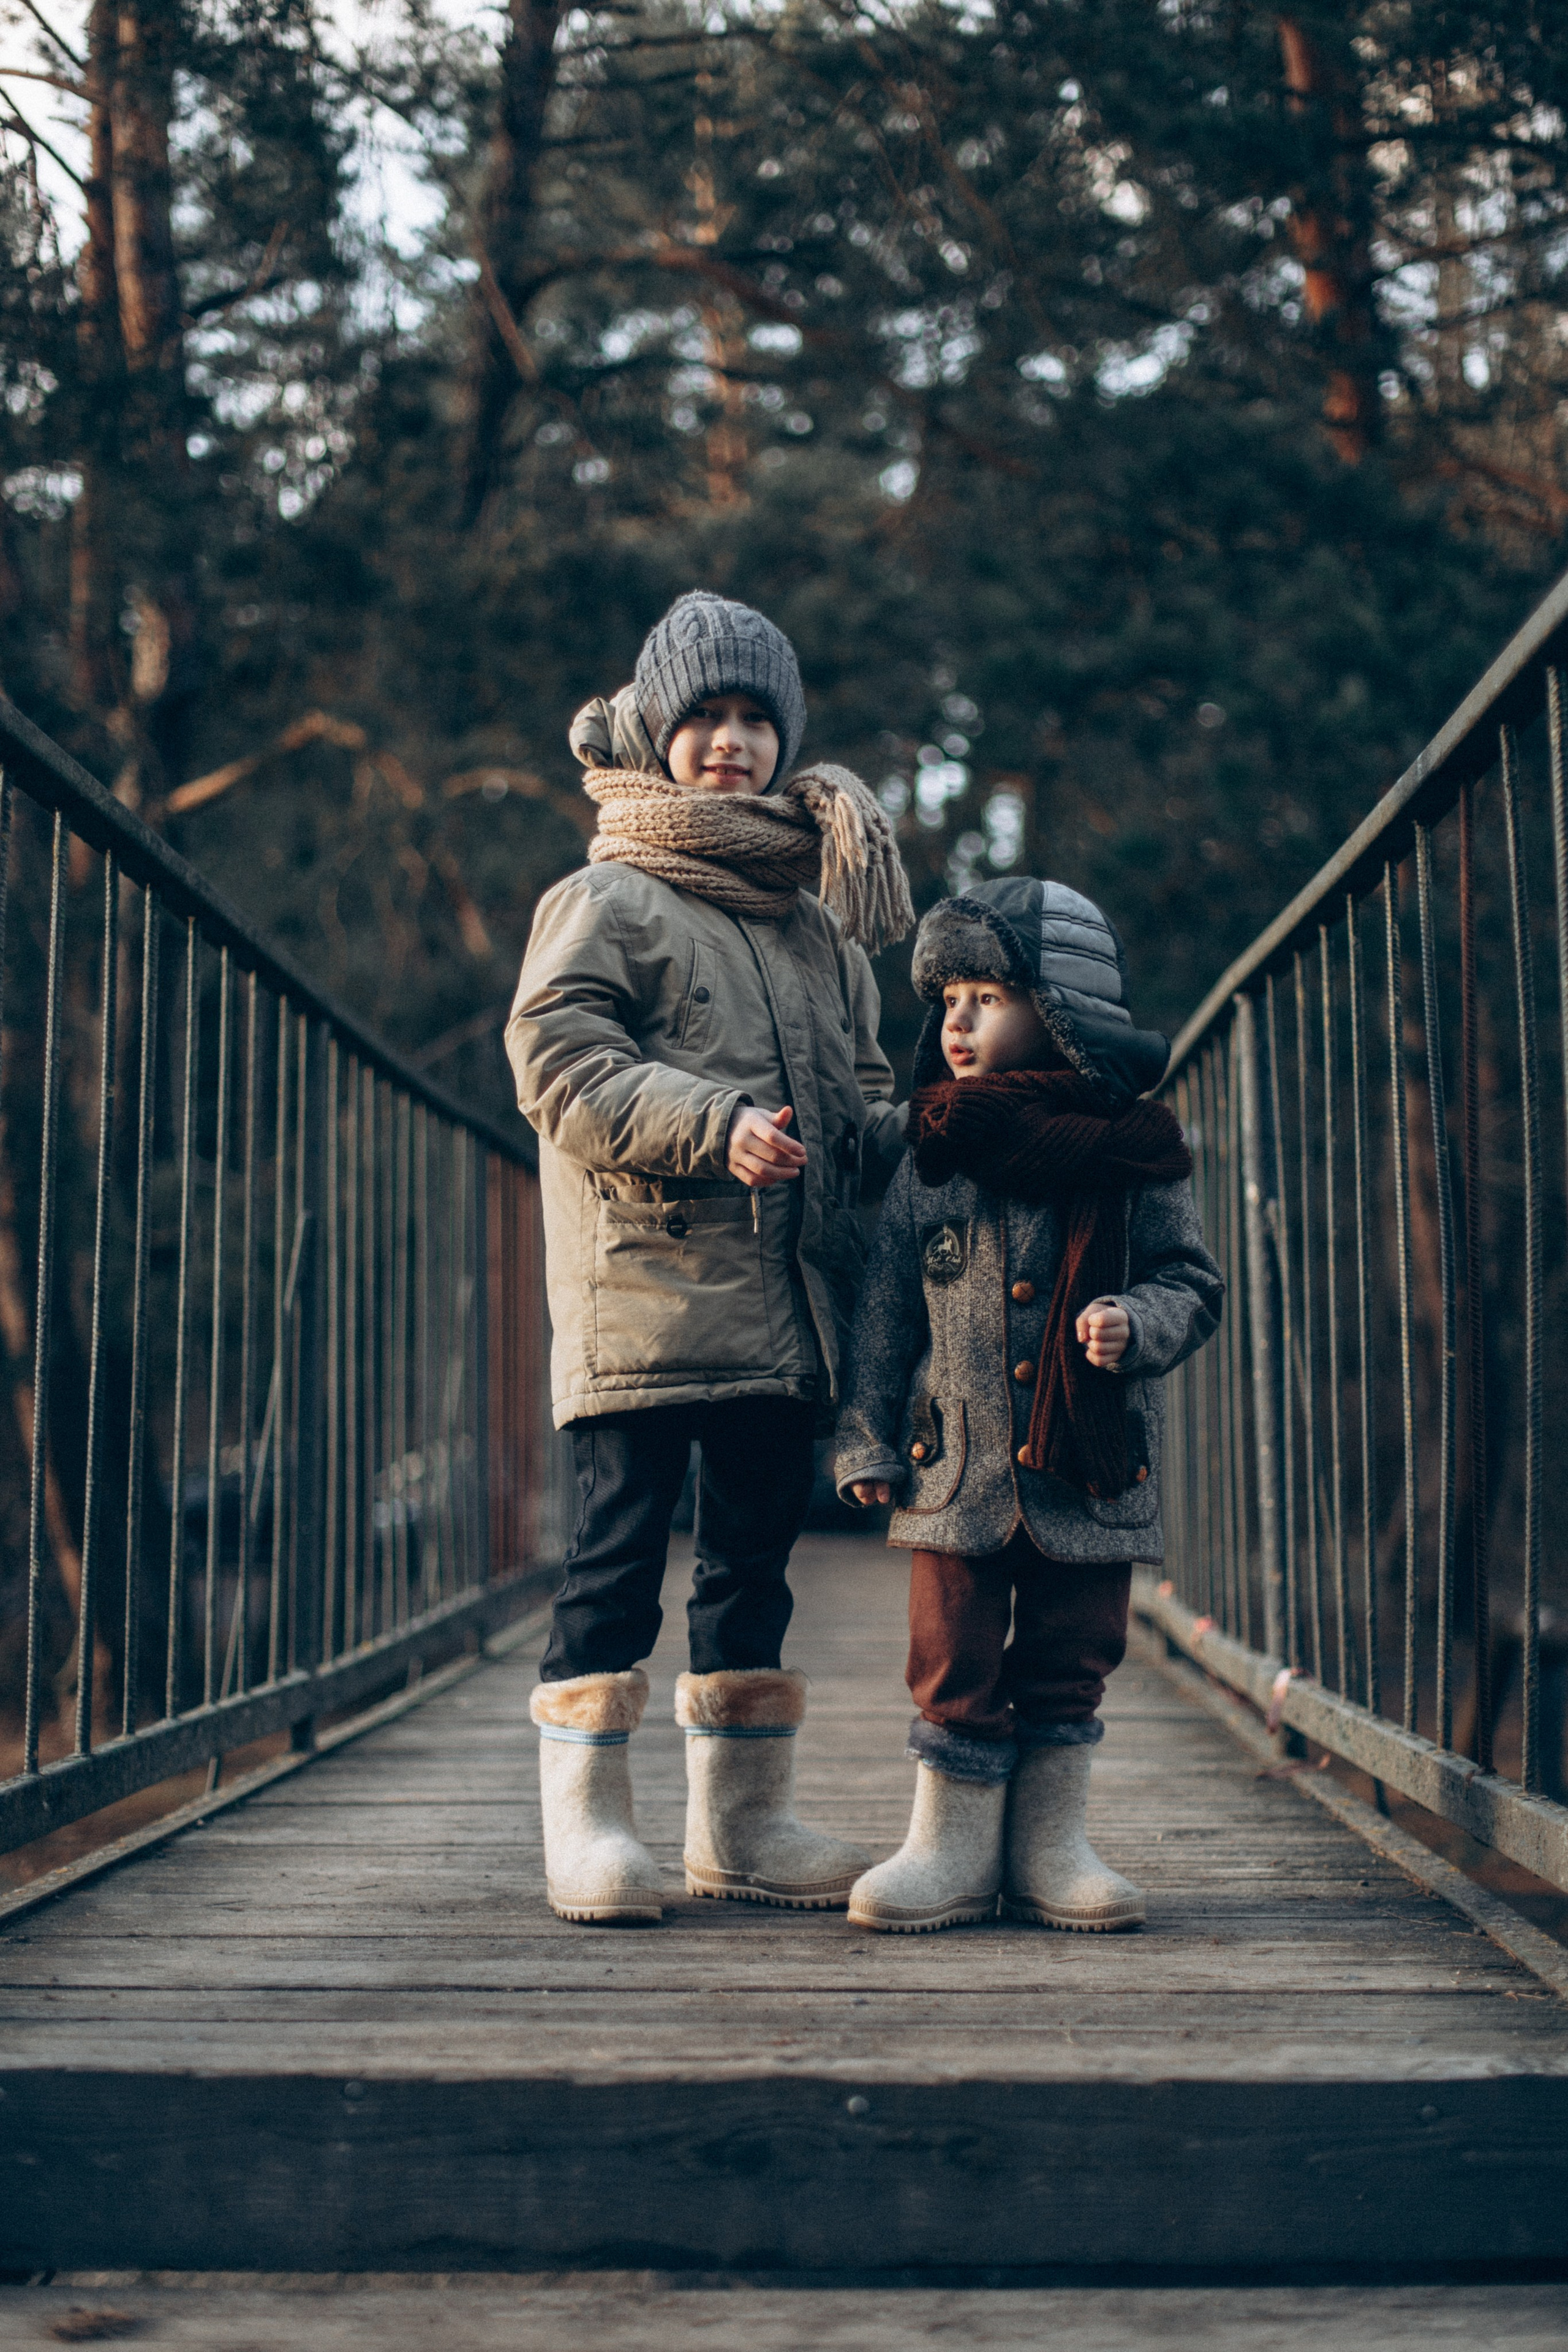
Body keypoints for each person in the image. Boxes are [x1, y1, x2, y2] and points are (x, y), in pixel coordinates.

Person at [507, 590, 914, 1924]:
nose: (730, 743)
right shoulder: (604, 895)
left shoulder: (815, 930)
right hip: (646, 1291)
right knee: (618, 1555)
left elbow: (855, 1098)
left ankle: (738, 1828)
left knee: (751, 1561)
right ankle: (589, 1831)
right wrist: (712, 1120)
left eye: (755, 720)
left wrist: (944, 1135)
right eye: (705, 717)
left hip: (782, 1303)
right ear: (656, 731)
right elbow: (559, 1062)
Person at [833, 878, 1223, 1934]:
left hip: (1088, 1475)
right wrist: (867, 1433)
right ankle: (949, 1850)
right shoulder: (932, 1152)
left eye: (988, 996)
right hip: (956, 1468)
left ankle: (1051, 1848)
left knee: (1071, 1655)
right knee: (951, 1658)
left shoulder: (1135, 1149)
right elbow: (884, 1313)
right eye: (945, 998)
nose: (955, 1021)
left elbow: (1194, 1282)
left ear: (1058, 1009)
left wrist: (1138, 1321)